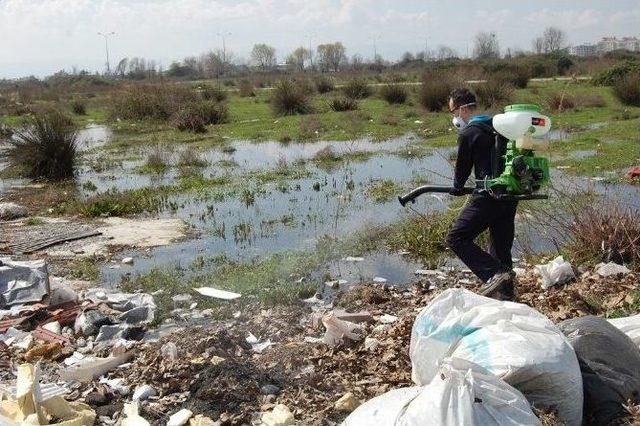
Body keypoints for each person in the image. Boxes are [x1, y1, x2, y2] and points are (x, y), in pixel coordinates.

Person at [445, 88, 517, 300]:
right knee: (500, 248)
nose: (454, 117)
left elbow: (462, 169)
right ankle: (507, 297)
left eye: (454, 111)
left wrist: (457, 187)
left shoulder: (470, 133)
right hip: (509, 196)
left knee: (457, 238)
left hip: (487, 196)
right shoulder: (499, 127)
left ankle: (496, 275)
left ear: (464, 109)